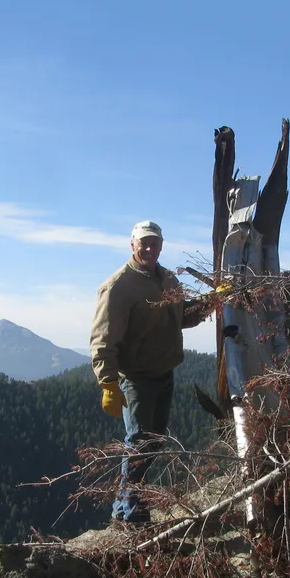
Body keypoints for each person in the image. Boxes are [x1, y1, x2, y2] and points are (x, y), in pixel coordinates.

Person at [90, 220, 212, 524]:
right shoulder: (119, 285)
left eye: (155, 243)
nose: (149, 248)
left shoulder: (168, 279)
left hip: (164, 372)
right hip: (136, 379)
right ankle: (131, 513)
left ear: (161, 245)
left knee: (153, 442)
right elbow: (103, 337)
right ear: (132, 245)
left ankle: (125, 508)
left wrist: (212, 300)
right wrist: (107, 382)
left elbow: (181, 317)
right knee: (139, 445)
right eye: (144, 242)